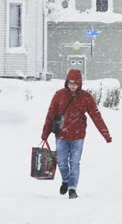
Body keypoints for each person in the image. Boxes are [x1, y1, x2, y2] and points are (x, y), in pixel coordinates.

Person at [41, 69, 112, 199]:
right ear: (66, 82)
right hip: (61, 135)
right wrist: (45, 133)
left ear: (80, 84)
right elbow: (50, 114)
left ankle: (72, 188)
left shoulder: (86, 97)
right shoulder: (59, 95)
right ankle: (66, 180)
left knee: (74, 162)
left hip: (78, 136)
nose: (72, 85)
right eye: (70, 83)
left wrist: (105, 134)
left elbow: (96, 116)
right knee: (62, 162)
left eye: (75, 83)